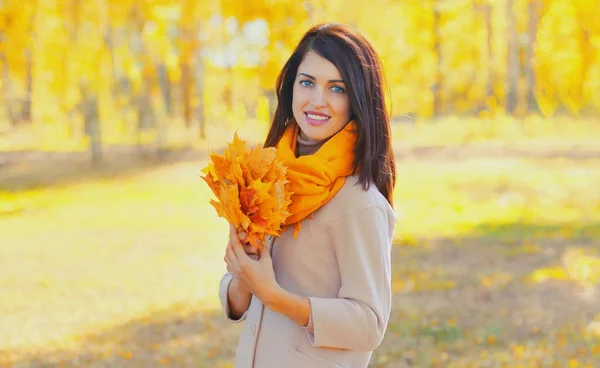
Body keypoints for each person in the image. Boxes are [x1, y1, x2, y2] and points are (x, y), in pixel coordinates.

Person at [218, 23, 397, 368]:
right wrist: (244, 280)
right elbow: (242, 297)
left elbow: (369, 324)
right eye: (307, 82)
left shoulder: (358, 202)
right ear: (291, 89)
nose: (318, 100)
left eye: (337, 88)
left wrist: (274, 295)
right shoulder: (268, 178)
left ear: (358, 98)